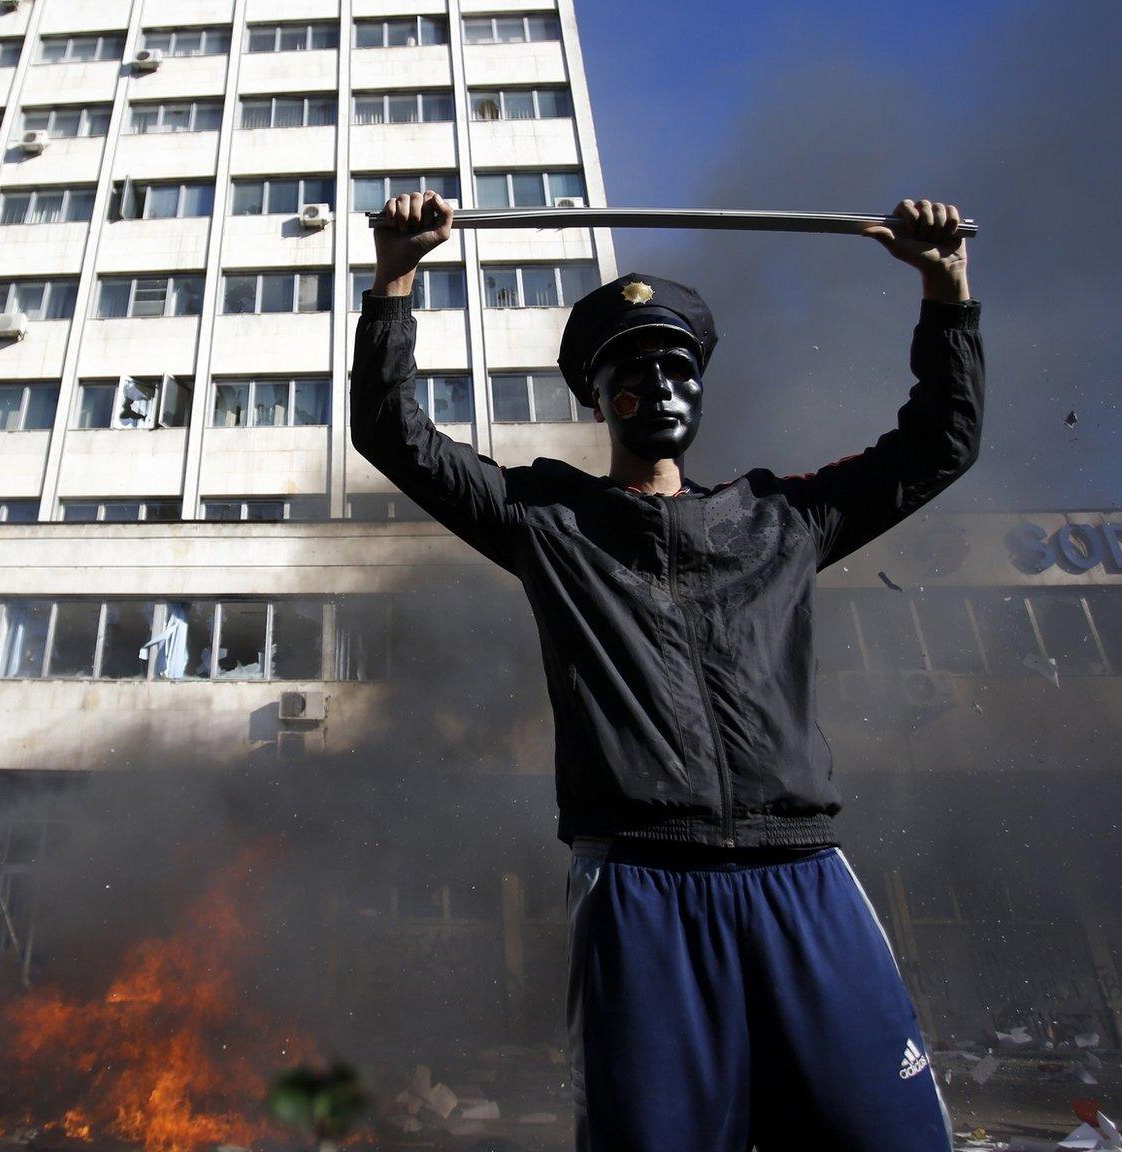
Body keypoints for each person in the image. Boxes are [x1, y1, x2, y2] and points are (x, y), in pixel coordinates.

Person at [351, 193, 982, 1152]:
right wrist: (397, 275)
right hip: (640, 888)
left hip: (801, 877)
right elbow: (395, 435)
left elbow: (940, 442)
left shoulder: (782, 520)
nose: (662, 384)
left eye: (680, 364)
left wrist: (946, 287)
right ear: (599, 399)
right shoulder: (548, 522)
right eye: (634, 369)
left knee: (886, 1134)